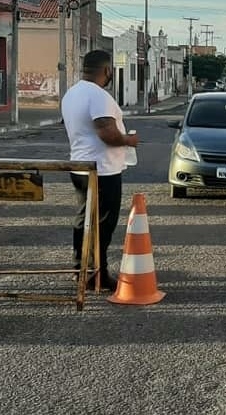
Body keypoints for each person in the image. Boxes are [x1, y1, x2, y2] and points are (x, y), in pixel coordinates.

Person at [61, 50, 140, 291]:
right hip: (101, 170)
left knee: (85, 220)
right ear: (107, 71)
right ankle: (97, 274)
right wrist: (128, 140)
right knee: (102, 224)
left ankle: (80, 269)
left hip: (80, 165)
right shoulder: (98, 95)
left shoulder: (72, 94)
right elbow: (107, 133)